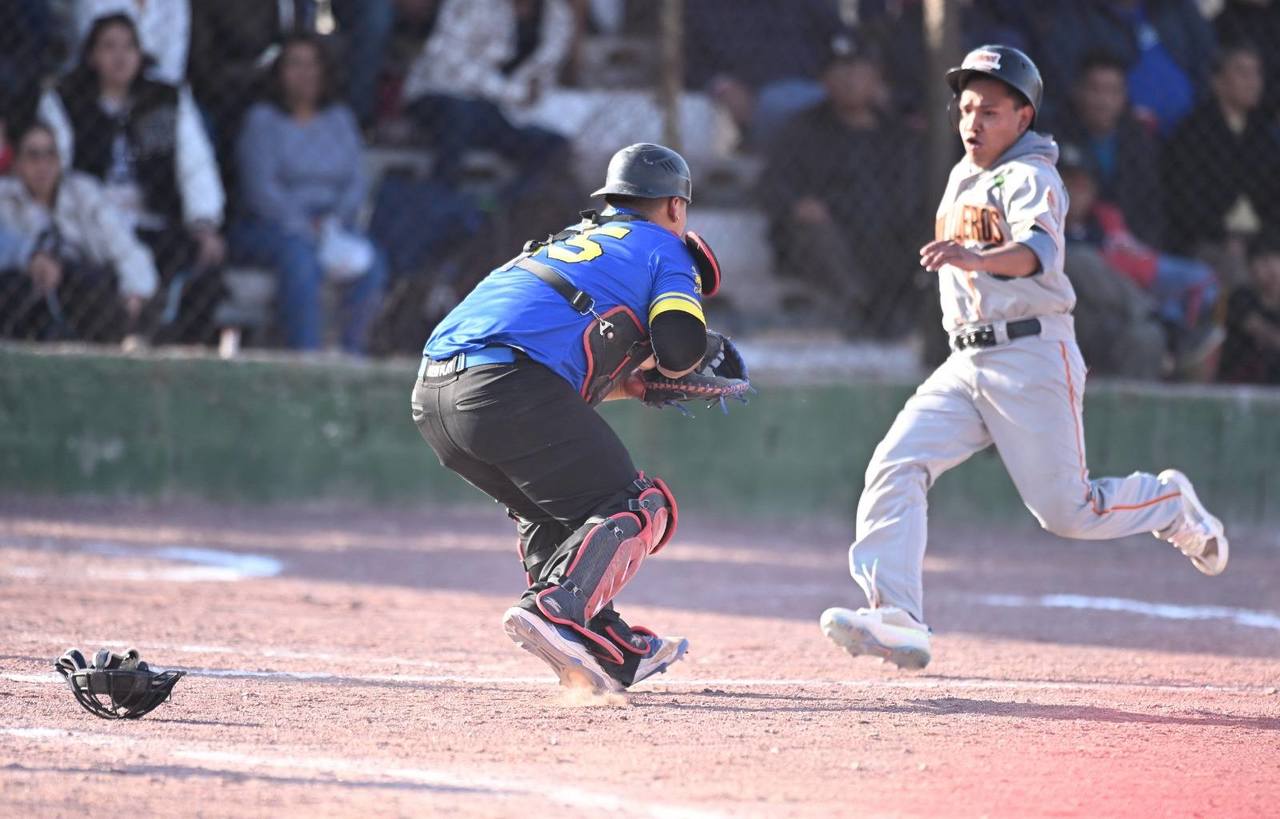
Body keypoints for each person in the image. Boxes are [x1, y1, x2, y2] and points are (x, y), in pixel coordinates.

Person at [819, 46, 1229, 671]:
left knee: (1068, 513)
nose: (972, 122)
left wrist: (978, 258)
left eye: (990, 111)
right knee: (896, 465)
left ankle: (1168, 504)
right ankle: (897, 616)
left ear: (1023, 117)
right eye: (966, 108)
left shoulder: (1032, 174)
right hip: (965, 361)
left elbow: (1040, 252)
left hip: (1031, 354)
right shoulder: (964, 174)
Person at [412, 143, 711, 694]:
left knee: (562, 512)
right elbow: (679, 347)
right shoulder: (664, 247)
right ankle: (558, 610)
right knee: (637, 505)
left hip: (434, 396)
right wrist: (683, 361)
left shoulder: (566, 241)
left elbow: (547, 361)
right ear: (675, 205)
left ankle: (604, 648)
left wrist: (632, 384)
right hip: (506, 386)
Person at [40, 12, 226, 344]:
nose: (120, 56)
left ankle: (161, 335)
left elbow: (195, 164)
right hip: (91, 222)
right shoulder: (66, 100)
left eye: (129, 47)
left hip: (152, 219)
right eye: (109, 47)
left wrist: (204, 221)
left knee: (194, 267)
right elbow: (57, 171)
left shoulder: (165, 100)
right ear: (91, 56)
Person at [757, 30, 924, 338]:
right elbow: (773, 185)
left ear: (876, 77)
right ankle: (861, 306)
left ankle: (902, 307)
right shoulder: (802, 130)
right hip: (829, 239)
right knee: (815, 229)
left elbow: (914, 192)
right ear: (824, 80)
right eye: (840, 70)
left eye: (858, 69)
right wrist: (798, 205)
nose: (849, 79)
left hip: (888, 236)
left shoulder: (897, 135)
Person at [230, 33, 387, 353]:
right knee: (299, 258)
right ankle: (306, 357)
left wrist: (334, 220)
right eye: (295, 64)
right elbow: (261, 190)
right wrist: (304, 225)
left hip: (334, 223)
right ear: (279, 72)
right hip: (273, 225)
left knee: (374, 263)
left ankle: (352, 354)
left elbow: (355, 181)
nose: (305, 73)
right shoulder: (262, 121)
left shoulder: (341, 120)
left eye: (313, 64)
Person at [1060, 142, 1221, 375]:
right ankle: (1158, 316)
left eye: (1081, 185)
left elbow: (1148, 267)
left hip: (1115, 321)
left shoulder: (1105, 227)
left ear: (1093, 190)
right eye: (1065, 183)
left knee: (1148, 336)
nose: (1073, 192)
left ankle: (1159, 332)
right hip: (1067, 322)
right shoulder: (1038, 223)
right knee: (1078, 258)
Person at [0, 121, 157, 341]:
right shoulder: (5, 199)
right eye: (33, 156)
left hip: (84, 292)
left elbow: (125, 247)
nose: (43, 165)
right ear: (17, 163)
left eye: (50, 155)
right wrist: (32, 259)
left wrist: (134, 293)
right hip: (29, 295)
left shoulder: (84, 193)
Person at [1163, 43, 1280, 291]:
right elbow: (1185, 204)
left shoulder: (1263, 134)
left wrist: (1266, 245)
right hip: (1207, 240)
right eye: (1242, 72)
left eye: (1257, 73)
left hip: (1261, 239)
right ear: (1217, 82)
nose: (1253, 82)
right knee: (1240, 277)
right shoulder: (1193, 133)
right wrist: (1228, 237)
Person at [1046, 50, 1165, 246]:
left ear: (1124, 96)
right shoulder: (1052, 137)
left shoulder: (1138, 141)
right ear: (1077, 90)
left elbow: (1151, 206)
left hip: (1134, 245)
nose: (1103, 101)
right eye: (1095, 89)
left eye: (1112, 91)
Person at [1218, 234, 1280, 385]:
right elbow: (1262, 332)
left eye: (1276, 260)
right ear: (1250, 268)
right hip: (1242, 376)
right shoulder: (1241, 297)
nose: (1271, 269)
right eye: (1264, 262)